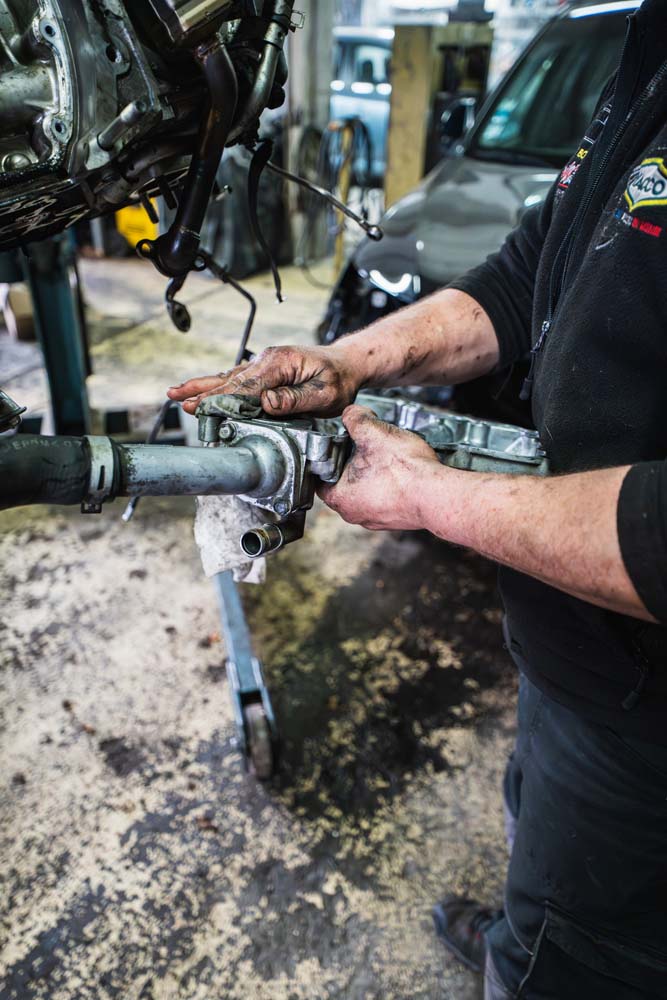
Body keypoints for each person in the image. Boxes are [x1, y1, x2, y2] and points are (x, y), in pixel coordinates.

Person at [168, 2, 667, 995]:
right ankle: (530, 915)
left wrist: (432, 496)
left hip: (645, 717)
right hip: (571, 640)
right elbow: (529, 271)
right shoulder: (650, 43)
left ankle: (539, 953)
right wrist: (348, 359)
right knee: (540, 827)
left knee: (581, 957)